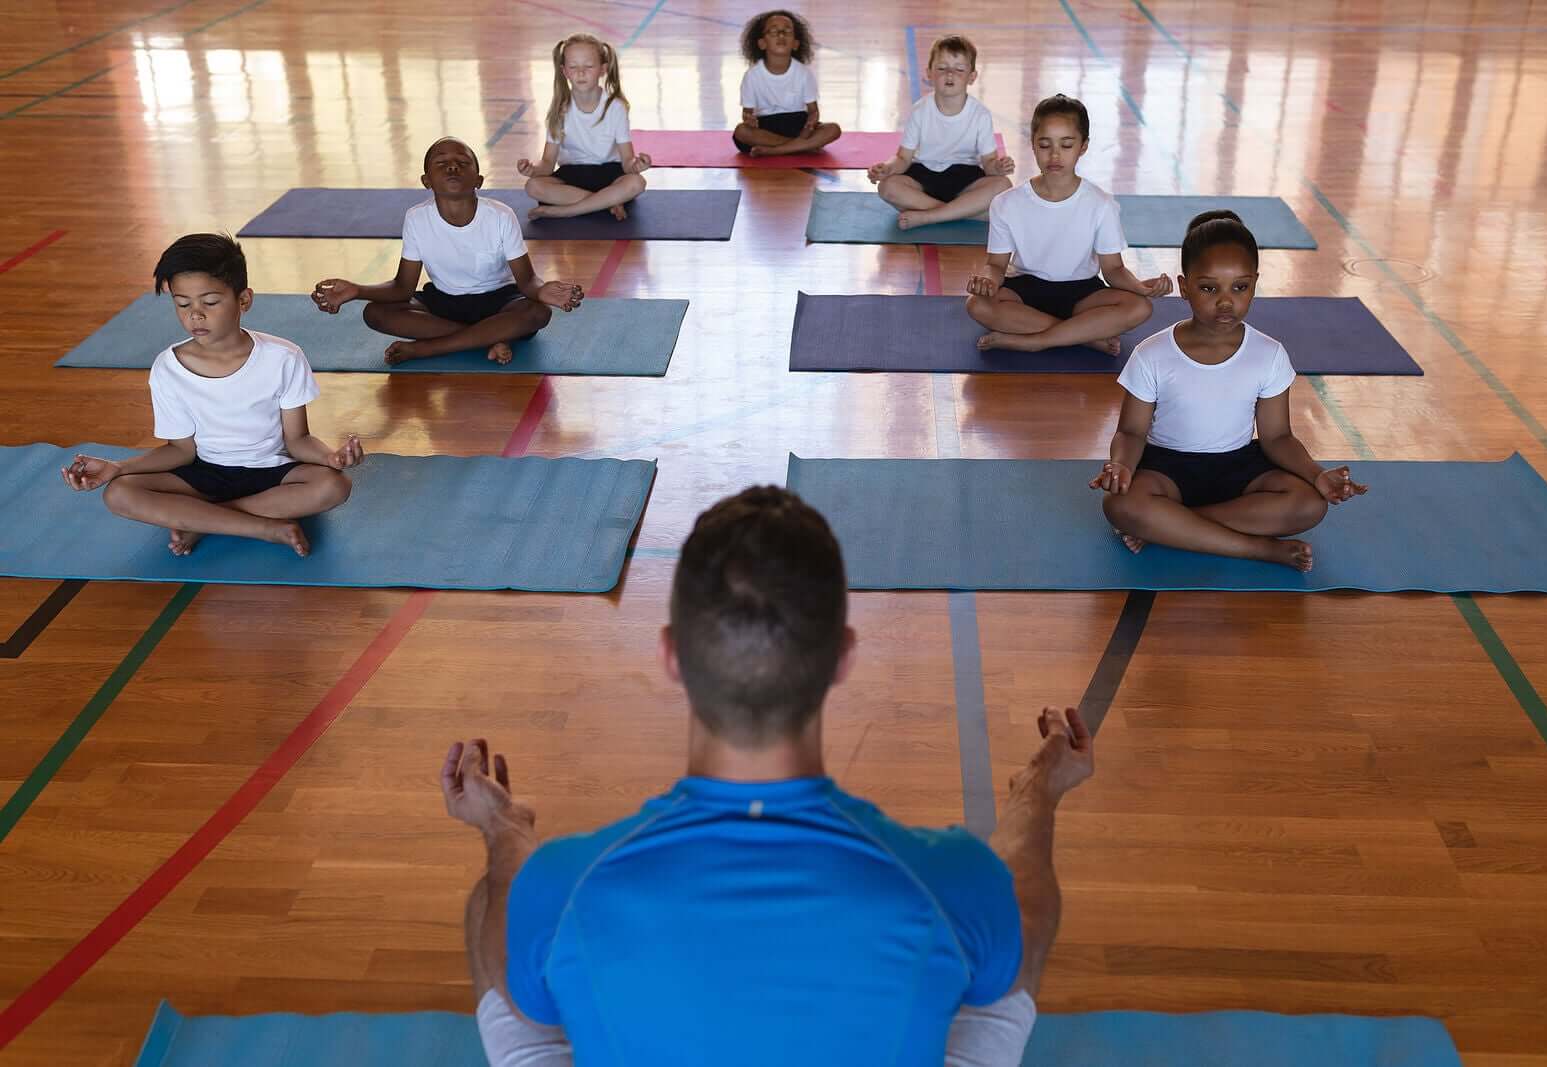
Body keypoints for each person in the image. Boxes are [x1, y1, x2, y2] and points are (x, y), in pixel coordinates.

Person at [441, 487, 1096, 1067]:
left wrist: (502, 827)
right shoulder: (952, 873)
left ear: (670, 655)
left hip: (547, 892)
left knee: (495, 904)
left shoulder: (560, 881)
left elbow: (522, 997)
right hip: (956, 895)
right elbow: (1028, 917)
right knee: (1010, 929)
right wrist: (1040, 788)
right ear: (843, 657)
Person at [1090, 210, 1368, 572]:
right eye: (1209, 288)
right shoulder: (1152, 354)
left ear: (1255, 283)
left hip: (1238, 467)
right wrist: (1122, 466)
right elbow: (1131, 430)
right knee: (1120, 506)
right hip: (1166, 471)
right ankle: (1258, 549)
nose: (1225, 301)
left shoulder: (1268, 354)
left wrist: (1317, 474)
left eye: (1240, 287)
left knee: (1309, 504)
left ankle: (1174, 527)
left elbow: (1278, 437)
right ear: (1185, 285)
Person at [60, 233, 362, 558]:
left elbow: (298, 440)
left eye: (210, 302)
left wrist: (330, 458)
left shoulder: (283, 357)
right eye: (183, 304)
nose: (196, 315)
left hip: (275, 472)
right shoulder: (168, 368)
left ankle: (203, 522)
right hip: (204, 473)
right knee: (118, 494)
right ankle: (263, 526)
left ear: (243, 300)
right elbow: (180, 451)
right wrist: (119, 468)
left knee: (334, 485)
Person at [310, 137, 583, 366]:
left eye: (463, 163)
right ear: (426, 180)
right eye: (442, 164)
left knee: (538, 313)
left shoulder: (501, 216)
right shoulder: (417, 218)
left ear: (478, 179)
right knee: (374, 313)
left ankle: (428, 348)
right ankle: (488, 339)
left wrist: (541, 291)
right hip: (442, 302)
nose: (452, 166)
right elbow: (402, 288)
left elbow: (526, 281)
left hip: (500, 303)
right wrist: (358, 290)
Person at [965, 94, 1170, 354]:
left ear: (1083, 146)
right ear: (1032, 145)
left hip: (1083, 293)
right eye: (1044, 144)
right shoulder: (1006, 203)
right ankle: (1085, 336)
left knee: (1140, 307)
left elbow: (1114, 269)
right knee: (977, 304)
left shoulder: (1101, 204)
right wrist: (987, 281)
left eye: (1066, 145)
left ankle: (1033, 340)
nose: (1054, 155)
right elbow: (996, 265)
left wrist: (1140, 287)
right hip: (1026, 289)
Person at [867, 36, 1013, 229]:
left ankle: (930, 216)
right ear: (930, 74)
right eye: (942, 68)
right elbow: (903, 158)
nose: (950, 74)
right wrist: (886, 168)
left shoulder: (980, 115)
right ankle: (965, 213)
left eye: (959, 69)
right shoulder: (919, 111)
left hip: (966, 177)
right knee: (887, 187)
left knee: (1003, 185)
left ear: (972, 77)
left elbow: (989, 164)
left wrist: (999, 167)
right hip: (923, 176)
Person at [516, 33, 651, 222]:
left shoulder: (616, 107)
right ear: (564, 71)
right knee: (533, 186)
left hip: (610, 174)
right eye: (573, 67)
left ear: (603, 69)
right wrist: (533, 171)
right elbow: (547, 163)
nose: (581, 73)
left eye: (588, 66)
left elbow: (627, 162)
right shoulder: (559, 109)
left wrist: (637, 165)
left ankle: (565, 211)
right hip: (572, 176)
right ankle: (607, 202)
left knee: (637, 183)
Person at [731, 10, 842, 157]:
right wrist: (749, 120)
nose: (781, 35)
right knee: (741, 132)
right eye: (773, 31)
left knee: (834, 129)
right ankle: (802, 147)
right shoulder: (752, 76)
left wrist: (809, 126)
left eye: (787, 31)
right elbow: (747, 113)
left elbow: (813, 111)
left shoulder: (804, 73)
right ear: (762, 43)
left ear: (796, 43)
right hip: (766, 126)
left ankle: (776, 150)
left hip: (798, 124)